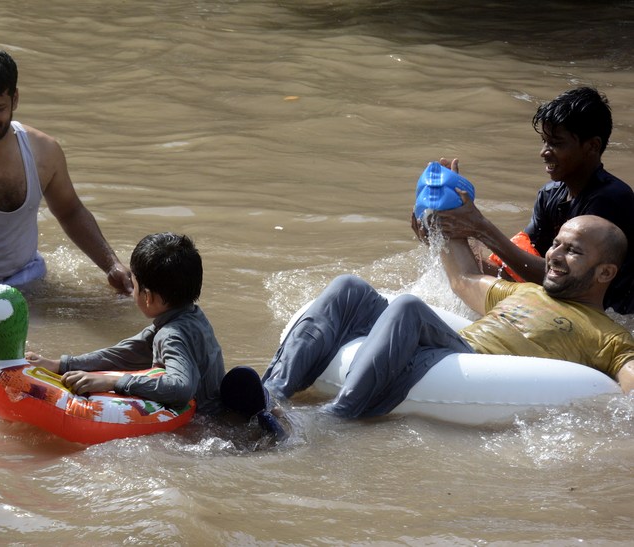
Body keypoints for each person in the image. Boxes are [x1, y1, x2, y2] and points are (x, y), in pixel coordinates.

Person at [259, 215, 634, 420]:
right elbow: (464, 279)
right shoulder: (526, 291)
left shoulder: (608, 335)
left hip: (474, 362)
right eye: (555, 244)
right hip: (454, 343)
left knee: (408, 307)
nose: (554, 255)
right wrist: (443, 214)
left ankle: (336, 418)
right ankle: (271, 392)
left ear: (605, 273)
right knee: (349, 287)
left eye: (573, 252)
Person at [0, 47, 133, 294]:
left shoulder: (44, 151)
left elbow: (70, 211)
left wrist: (111, 265)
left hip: (31, 276)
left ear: (15, 99)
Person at [423, 87, 634, 313]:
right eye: (544, 141)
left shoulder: (610, 200)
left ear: (592, 146)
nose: (544, 151)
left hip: (611, 320)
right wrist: (445, 238)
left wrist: (480, 227)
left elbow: (566, 284)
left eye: (556, 142)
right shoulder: (549, 195)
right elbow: (519, 271)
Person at [28, 233, 225, 414]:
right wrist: (61, 365)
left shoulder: (171, 334)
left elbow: (180, 388)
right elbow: (124, 353)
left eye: (134, 284)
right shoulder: (191, 316)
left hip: (202, 425)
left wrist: (113, 382)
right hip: (216, 413)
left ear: (147, 296)